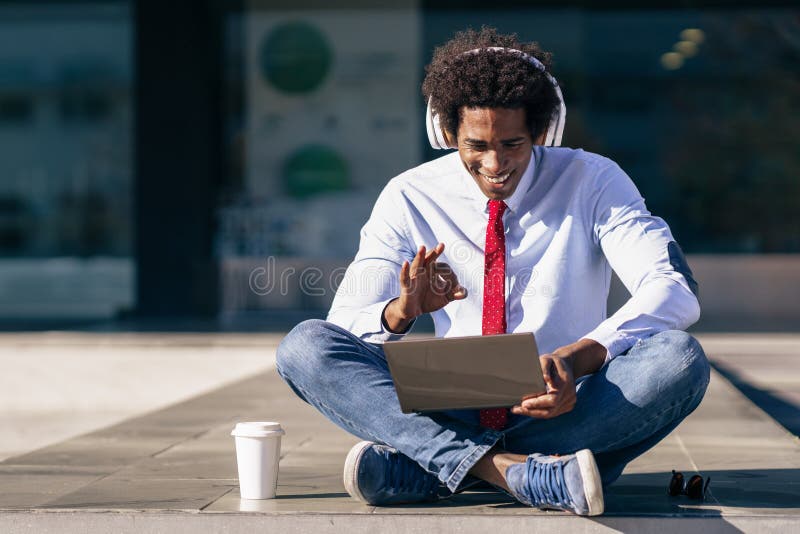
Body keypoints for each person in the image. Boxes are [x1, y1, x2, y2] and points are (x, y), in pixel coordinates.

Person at [275, 27, 709, 516]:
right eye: (475, 145)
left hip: (560, 404)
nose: (495, 163)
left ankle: (435, 465)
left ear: (543, 132)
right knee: (305, 346)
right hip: (452, 398)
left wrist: (577, 358)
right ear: (446, 134)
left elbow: (673, 288)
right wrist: (401, 312)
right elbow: (343, 323)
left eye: (513, 143)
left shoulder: (593, 179)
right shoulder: (409, 195)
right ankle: (516, 473)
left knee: (679, 360)